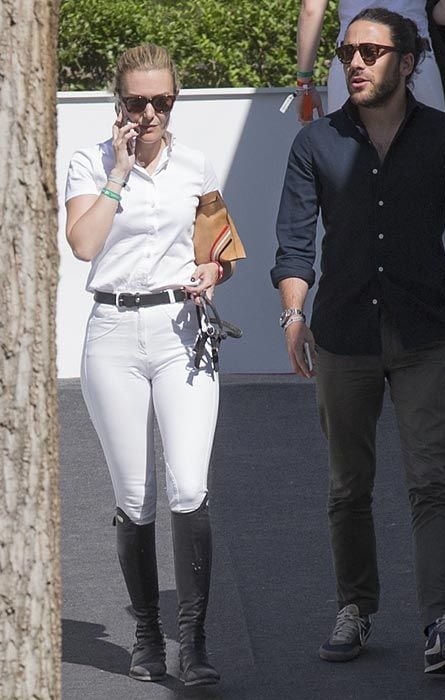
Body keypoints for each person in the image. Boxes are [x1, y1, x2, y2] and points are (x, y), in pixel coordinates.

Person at [272, 9, 445, 674]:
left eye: (370, 52)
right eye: (346, 53)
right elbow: (293, 242)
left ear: (408, 59)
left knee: (430, 481)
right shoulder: (316, 144)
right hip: (342, 337)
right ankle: (355, 609)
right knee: (347, 487)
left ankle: (442, 622)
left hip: (426, 337)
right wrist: (293, 315)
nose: (355, 64)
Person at [65, 44, 232, 687]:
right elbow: (83, 243)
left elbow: (220, 245)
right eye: (137, 101)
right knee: (134, 496)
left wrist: (212, 270)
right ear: (118, 103)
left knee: (189, 486)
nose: (150, 112)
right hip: (111, 331)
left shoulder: (196, 166)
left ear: (174, 101)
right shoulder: (91, 162)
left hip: (180, 331)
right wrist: (119, 171)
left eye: (162, 100)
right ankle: (145, 631)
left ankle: (192, 641)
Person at [295, 0, 445, 122]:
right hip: (414, 56)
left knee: (347, 156)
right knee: (430, 157)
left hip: (353, 58)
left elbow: (311, 10)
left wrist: (305, 85)